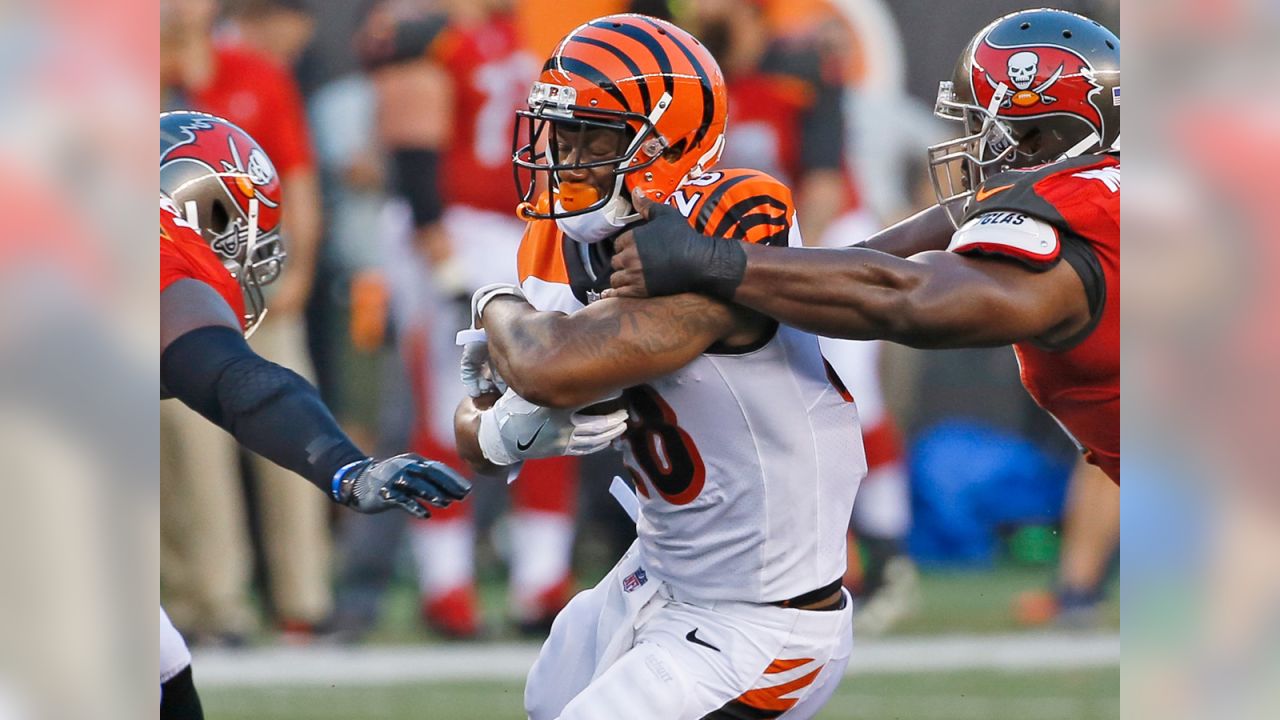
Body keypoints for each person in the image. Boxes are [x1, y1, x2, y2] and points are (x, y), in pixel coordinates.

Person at [454, 16, 860, 719]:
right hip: (658, 572)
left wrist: (494, 303)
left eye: (597, 136)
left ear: (668, 143)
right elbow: (481, 424)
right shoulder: (556, 240)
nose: (570, 158)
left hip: (765, 615)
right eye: (564, 132)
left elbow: (548, 367)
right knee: (547, 700)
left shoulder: (731, 212)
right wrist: (495, 433)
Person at [608, 8, 1120, 485]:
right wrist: (750, 277)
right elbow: (868, 256)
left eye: (983, 127)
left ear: (1036, 139)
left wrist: (708, 260)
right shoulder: (1098, 188)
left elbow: (909, 302)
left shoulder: (1070, 228)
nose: (973, 145)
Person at [159, 111, 470, 719]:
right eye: (235, 224)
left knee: (160, 668)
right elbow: (237, 380)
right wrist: (345, 468)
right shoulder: (158, 254)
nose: (240, 252)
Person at [161, 0, 332, 639]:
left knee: (294, 426)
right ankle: (213, 604)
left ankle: (305, 600)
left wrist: (302, 274)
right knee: (191, 457)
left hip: (258, 284)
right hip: (174, 293)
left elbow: (298, 178)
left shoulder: (255, 74)